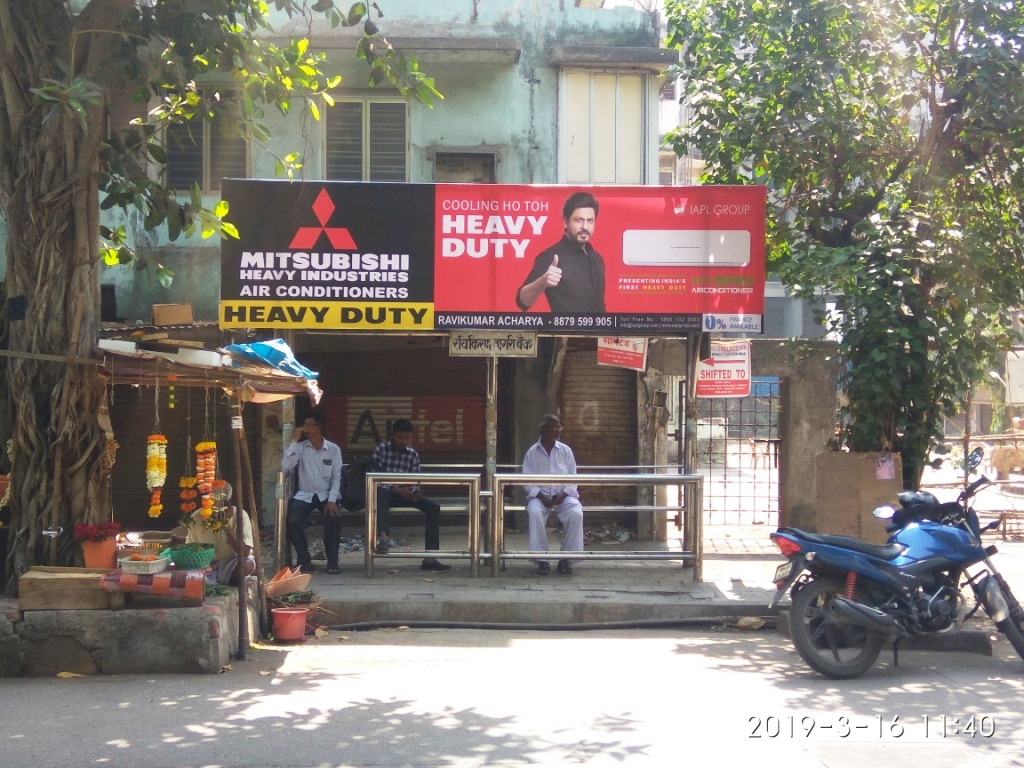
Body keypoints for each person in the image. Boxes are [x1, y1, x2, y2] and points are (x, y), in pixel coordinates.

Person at [372, 418, 450, 572]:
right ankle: (383, 538)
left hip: (404, 494)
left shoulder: (412, 455)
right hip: (384, 494)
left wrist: (414, 493)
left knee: (433, 508)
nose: (403, 441)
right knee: (382, 492)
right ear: (393, 436)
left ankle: (430, 558)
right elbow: (375, 478)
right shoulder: (380, 450)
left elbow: (415, 480)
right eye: (400, 437)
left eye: (406, 438)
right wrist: (397, 489)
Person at [516, 191, 606, 314]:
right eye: (579, 220)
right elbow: (522, 301)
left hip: (597, 333)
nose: (585, 226)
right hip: (564, 333)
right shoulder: (552, 257)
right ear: (565, 221)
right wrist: (542, 282)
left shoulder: (597, 259)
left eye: (590, 220)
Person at [282, 411, 344, 574]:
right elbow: (287, 464)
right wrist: (294, 440)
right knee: (293, 521)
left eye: (310, 425)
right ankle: (303, 559)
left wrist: (332, 499)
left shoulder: (333, 449)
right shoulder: (301, 448)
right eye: (305, 425)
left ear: (319, 427)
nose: (306, 428)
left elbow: (337, 476)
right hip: (305, 494)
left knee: (334, 519)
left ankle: (332, 561)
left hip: (326, 494)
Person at [521, 414, 584, 575]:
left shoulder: (565, 451)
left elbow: (573, 477)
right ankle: (542, 560)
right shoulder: (532, 453)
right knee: (534, 513)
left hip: (563, 496)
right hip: (540, 497)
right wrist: (542, 497)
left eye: (559, 427)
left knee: (576, 513)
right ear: (544, 430)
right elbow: (526, 480)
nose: (559, 430)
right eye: (555, 427)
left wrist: (562, 495)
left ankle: (565, 559)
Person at [185, 482, 255, 586]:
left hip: (230, 563)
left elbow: (244, 552)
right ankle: (216, 580)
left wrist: (225, 525)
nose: (212, 511)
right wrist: (204, 565)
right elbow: (190, 550)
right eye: (208, 504)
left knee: (247, 565)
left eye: (215, 506)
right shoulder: (196, 517)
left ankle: (216, 580)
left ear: (227, 506)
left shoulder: (240, 515)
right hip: (204, 564)